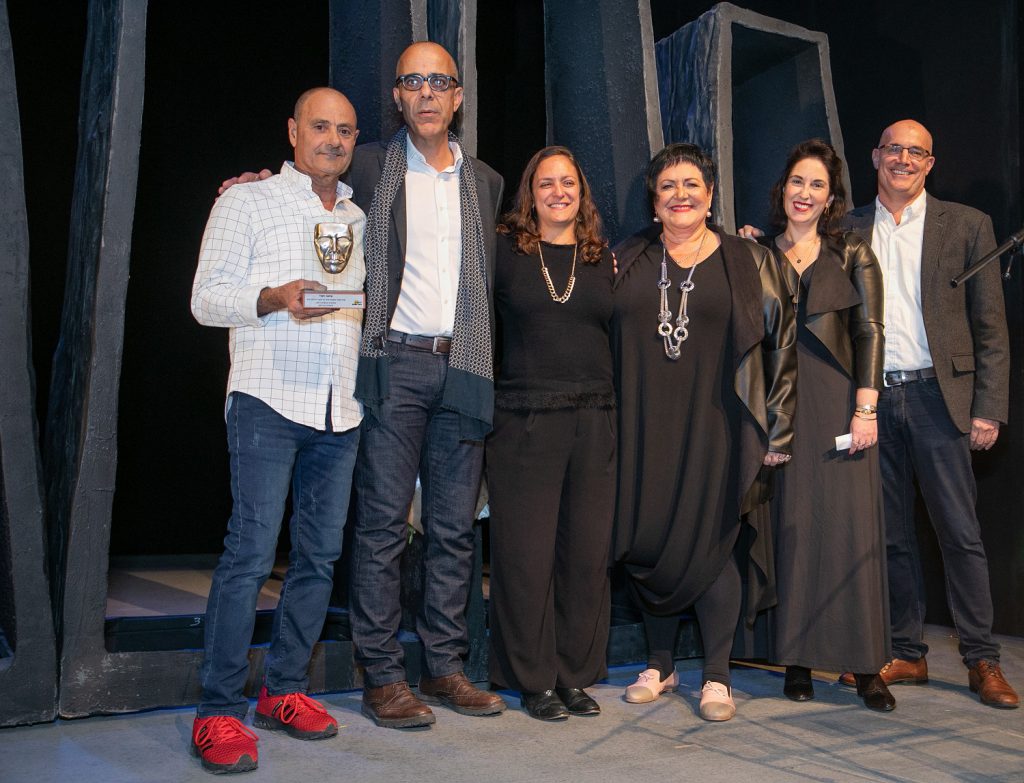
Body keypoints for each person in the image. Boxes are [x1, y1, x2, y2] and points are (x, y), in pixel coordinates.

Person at [190, 87, 365, 773]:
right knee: (250, 555)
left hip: (338, 407)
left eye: (345, 130)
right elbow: (205, 299)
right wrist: (272, 297)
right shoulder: (246, 201)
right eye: (320, 126)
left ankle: (284, 690)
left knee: (319, 557)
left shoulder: (356, 215)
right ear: (293, 131)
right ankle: (217, 709)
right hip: (267, 397)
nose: (333, 139)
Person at [345, 41, 507, 728]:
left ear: (458, 96)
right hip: (396, 361)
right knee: (383, 526)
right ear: (398, 96)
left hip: (464, 363)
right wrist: (254, 181)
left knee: (453, 529)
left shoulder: (486, 181)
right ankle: (383, 675)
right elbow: (310, 193)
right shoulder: (368, 166)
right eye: (413, 80)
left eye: (440, 81)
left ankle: (444, 665)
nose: (428, 93)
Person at [836, 120, 1017, 708]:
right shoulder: (845, 229)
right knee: (890, 535)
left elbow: (991, 327)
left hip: (942, 399)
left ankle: (982, 658)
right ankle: (906, 651)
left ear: (930, 163)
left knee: (959, 534)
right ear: (875, 156)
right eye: (894, 148)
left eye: (916, 151)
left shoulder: (966, 225)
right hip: (873, 402)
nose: (904, 159)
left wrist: (988, 408)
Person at [613, 143, 796, 722]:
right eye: (668, 186)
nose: (680, 195)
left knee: (715, 543)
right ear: (654, 199)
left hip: (721, 424)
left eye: (692, 184)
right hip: (644, 425)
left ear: (711, 195)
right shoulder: (627, 257)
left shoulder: (749, 259)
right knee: (651, 541)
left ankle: (717, 675)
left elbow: (782, 345)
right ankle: (660, 665)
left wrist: (778, 428)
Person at [759, 139, 894, 711]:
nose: (805, 193)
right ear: (783, 189)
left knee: (848, 532)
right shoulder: (758, 253)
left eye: (817, 185)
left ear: (831, 197)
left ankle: (865, 667)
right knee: (795, 530)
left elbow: (870, 330)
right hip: (783, 408)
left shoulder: (853, 251)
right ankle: (796, 660)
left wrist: (866, 408)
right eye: (798, 181)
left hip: (840, 404)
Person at [487, 146, 616, 721]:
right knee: (525, 557)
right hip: (524, 422)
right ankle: (532, 678)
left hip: (595, 420)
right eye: (546, 183)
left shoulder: (604, 258)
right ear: (530, 193)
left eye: (568, 182)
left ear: (581, 192)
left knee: (585, 556)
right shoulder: (504, 251)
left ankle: (573, 675)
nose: (558, 192)